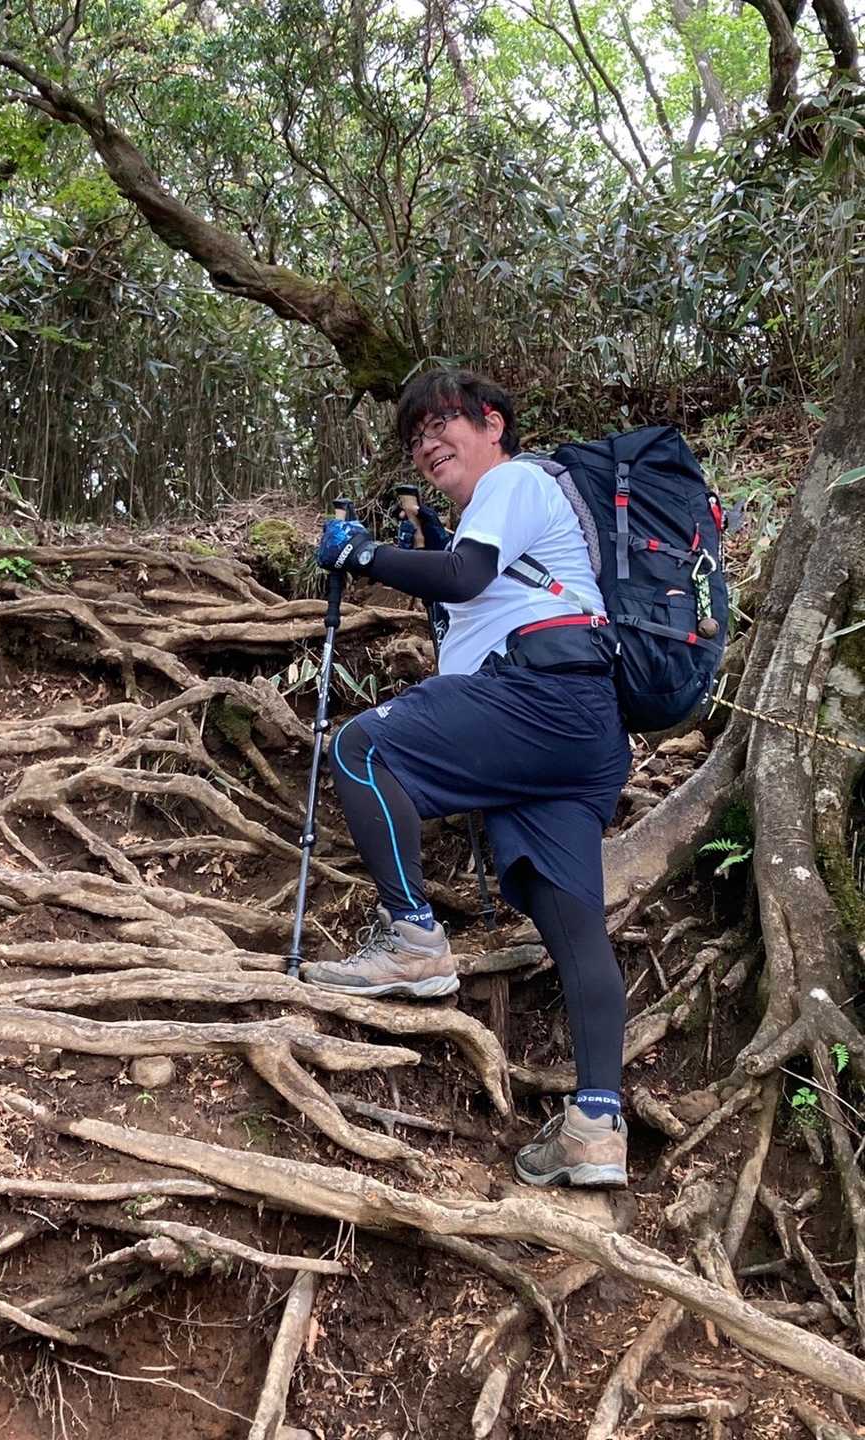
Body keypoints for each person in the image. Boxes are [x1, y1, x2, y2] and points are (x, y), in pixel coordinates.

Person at [301, 369, 632, 1188]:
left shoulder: (515, 481)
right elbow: (462, 584)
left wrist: (364, 553)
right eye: (415, 436)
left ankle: (414, 938)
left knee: (363, 749)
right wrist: (416, 552)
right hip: (579, 732)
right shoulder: (498, 514)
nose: (426, 443)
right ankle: (597, 1125)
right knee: (572, 926)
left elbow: (465, 577)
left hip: (539, 696)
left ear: (492, 423)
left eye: (442, 423)